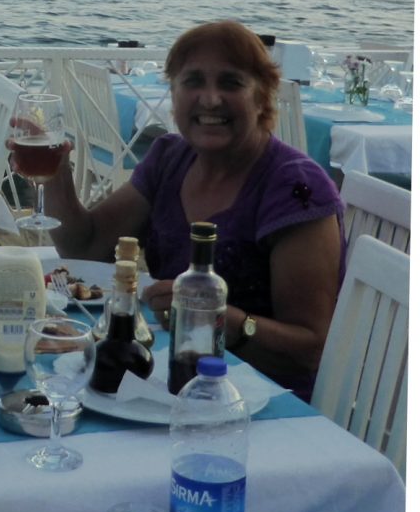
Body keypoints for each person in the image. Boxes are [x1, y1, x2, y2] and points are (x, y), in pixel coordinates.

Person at [38, 20, 345, 400]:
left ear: (263, 97)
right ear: (173, 92)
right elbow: (84, 247)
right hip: (173, 385)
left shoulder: (296, 190)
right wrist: (54, 173)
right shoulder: (170, 158)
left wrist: (221, 321)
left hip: (267, 408)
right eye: (193, 81)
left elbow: (310, 351)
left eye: (231, 83)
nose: (210, 99)